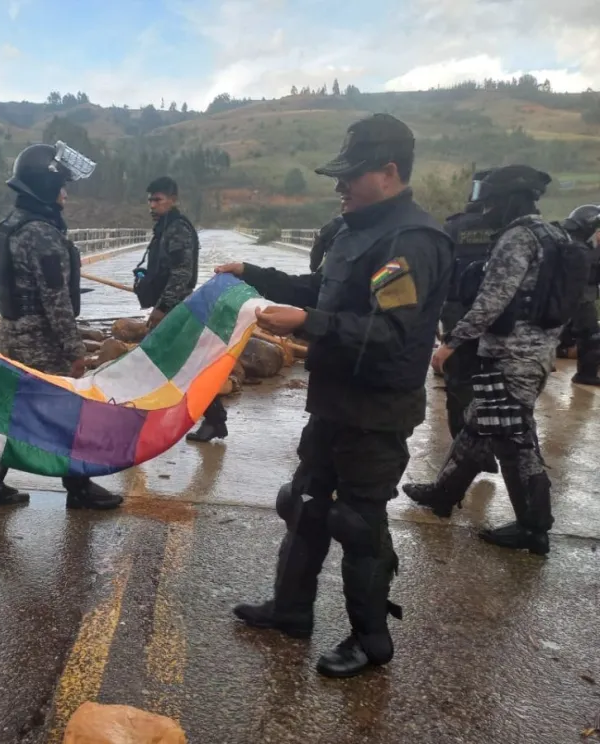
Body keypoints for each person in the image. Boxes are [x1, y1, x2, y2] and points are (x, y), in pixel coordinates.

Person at [224, 113, 453, 678]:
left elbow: (390, 333)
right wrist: (254, 274)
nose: (339, 185)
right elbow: (322, 291)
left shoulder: (411, 243)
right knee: (302, 502)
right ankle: (292, 609)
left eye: (352, 174)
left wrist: (309, 322)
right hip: (331, 399)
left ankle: (371, 641)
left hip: (376, 409)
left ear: (389, 171)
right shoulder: (357, 230)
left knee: (357, 522)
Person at [403, 165, 567, 556]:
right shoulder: (556, 236)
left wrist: (452, 342)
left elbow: (491, 302)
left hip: (509, 357)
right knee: (483, 427)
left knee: (516, 441)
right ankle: (444, 494)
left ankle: (534, 528)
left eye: (492, 202)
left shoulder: (518, 239)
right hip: (534, 355)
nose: (486, 210)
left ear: (510, 201)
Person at [0, 141, 123, 510]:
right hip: (41, 341)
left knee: (10, 414)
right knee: (68, 413)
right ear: (44, 188)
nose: (66, 196)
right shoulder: (41, 234)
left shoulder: (11, 226)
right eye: (61, 187)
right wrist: (74, 351)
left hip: (11, 334)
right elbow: (56, 301)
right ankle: (79, 488)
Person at [130, 176, 228, 443]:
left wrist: (162, 308)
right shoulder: (164, 228)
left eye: (158, 199)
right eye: (150, 199)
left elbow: (181, 273)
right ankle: (215, 419)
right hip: (171, 307)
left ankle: (136, 426)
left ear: (173, 200)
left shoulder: (177, 229)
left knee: (155, 361)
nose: (152, 205)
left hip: (175, 309)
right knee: (181, 365)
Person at [439, 170, 499, 473]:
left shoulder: (454, 226)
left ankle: (465, 451)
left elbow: (441, 271)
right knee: (493, 386)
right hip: (501, 317)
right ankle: (485, 449)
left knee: (459, 383)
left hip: (457, 311)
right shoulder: (511, 229)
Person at [557, 204, 600, 385]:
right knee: (591, 335)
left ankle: (584, 371)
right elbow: (582, 266)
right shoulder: (572, 242)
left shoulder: (582, 242)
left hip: (579, 298)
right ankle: (586, 375)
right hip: (574, 298)